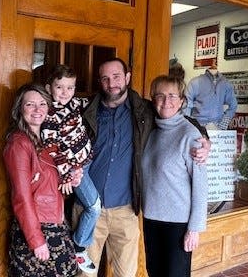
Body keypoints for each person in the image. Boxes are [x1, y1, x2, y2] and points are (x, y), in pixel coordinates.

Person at [76, 58, 210, 277]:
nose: (112, 83)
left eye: (117, 77)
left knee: (126, 274)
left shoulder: (143, 111)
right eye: (106, 78)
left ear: (127, 78)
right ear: (100, 82)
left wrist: (205, 139)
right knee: (84, 275)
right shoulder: (86, 111)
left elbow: (178, 119)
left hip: (126, 211)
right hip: (90, 210)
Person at [3, 83, 79, 277]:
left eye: (42, 104)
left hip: (56, 224)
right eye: (30, 104)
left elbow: (49, 186)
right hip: (37, 228)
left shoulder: (47, 141)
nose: (37, 110)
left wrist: (72, 179)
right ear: (20, 108)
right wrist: (36, 240)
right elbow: (22, 196)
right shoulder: (19, 143)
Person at [142, 75, 208, 276]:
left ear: (181, 101)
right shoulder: (151, 132)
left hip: (178, 225)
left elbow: (201, 186)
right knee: (154, 272)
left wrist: (194, 228)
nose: (166, 101)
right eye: (160, 96)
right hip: (151, 219)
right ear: (153, 100)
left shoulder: (191, 135)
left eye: (172, 96)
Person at [41, 64, 100, 274]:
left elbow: (90, 102)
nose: (65, 92)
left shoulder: (74, 103)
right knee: (94, 207)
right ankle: (80, 246)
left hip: (87, 160)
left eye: (70, 87)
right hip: (75, 169)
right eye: (60, 87)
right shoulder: (49, 116)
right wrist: (67, 175)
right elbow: (52, 149)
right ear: (49, 88)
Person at [185, 61, 238, 130]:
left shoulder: (225, 83)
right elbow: (187, 104)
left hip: (217, 127)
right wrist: (188, 125)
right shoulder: (195, 82)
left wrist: (223, 123)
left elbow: (233, 105)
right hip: (198, 126)